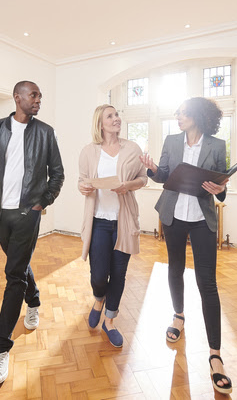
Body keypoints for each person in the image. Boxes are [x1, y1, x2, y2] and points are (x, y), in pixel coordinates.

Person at [138, 97, 233, 394]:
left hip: (202, 219)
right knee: (175, 269)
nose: (178, 116)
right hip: (173, 216)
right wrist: (153, 169)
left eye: (182, 112)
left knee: (208, 282)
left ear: (197, 115)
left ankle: (215, 354)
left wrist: (221, 189)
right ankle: (178, 316)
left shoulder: (216, 146)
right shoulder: (171, 140)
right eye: (177, 112)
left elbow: (222, 187)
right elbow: (165, 176)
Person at [0, 81, 64, 386]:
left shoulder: (45, 132)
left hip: (29, 213)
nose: (39, 100)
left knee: (12, 275)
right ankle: (35, 299)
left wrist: (44, 202)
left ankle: (0, 349)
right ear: (18, 98)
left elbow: (58, 173)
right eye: (34, 95)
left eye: (40, 95)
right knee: (19, 264)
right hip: (2, 213)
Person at [78, 105, 147, 347]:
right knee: (98, 275)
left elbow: (143, 178)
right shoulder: (88, 152)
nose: (116, 118)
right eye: (110, 116)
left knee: (118, 274)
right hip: (98, 221)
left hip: (123, 222)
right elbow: (82, 182)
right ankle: (99, 299)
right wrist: (83, 187)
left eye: (117, 114)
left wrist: (127, 185)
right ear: (100, 123)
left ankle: (109, 320)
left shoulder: (132, 148)